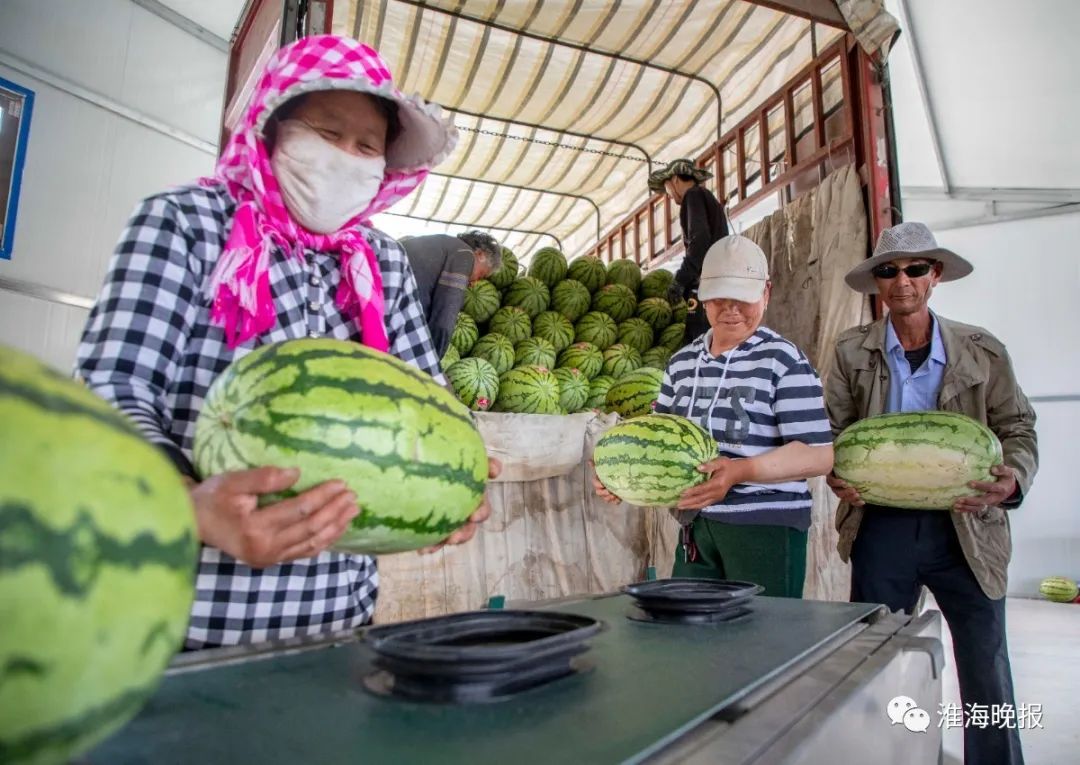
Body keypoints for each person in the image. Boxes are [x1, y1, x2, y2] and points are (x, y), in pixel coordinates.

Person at [75, 36, 497, 650]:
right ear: (273, 129)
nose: (346, 157)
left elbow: (424, 396)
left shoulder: (379, 260)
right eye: (327, 133)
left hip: (333, 620)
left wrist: (453, 481)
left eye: (366, 146)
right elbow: (112, 390)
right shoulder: (188, 222)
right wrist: (190, 504)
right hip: (173, 620)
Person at [824, 221, 1038, 765]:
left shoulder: (982, 350)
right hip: (881, 523)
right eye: (889, 271)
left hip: (968, 528)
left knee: (986, 666)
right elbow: (833, 433)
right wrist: (833, 472)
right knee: (877, 662)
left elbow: (1017, 427)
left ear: (934, 275)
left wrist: (1012, 478)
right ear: (877, 282)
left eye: (915, 268)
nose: (903, 280)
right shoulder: (851, 352)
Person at [592, 236, 833, 597]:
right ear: (702, 297)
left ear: (766, 293)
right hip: (695, 527)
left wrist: (739, 471)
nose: (731, 309)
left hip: (765, 526)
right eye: (720, 297)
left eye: (743, 297)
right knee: (694, 640)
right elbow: (657, 440)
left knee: (762, 639)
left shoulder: (783, 360)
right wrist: (620, 477)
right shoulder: (682, 364)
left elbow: (818, 454)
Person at [647, 158, 729, 341]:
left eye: (666, 188)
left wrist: (680, 280)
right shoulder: (706, 197)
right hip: (719, 283)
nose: (668, 194)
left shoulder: (693, 196)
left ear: (674, 180)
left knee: (698, 341)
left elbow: (699, 242)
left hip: (707, 285)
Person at [401, 230, 502, 357]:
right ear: (480, 254)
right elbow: (445, 316)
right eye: (481, 275)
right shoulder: (465, 255)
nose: (474, 283)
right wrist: (432, 359)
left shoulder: (445, 243)